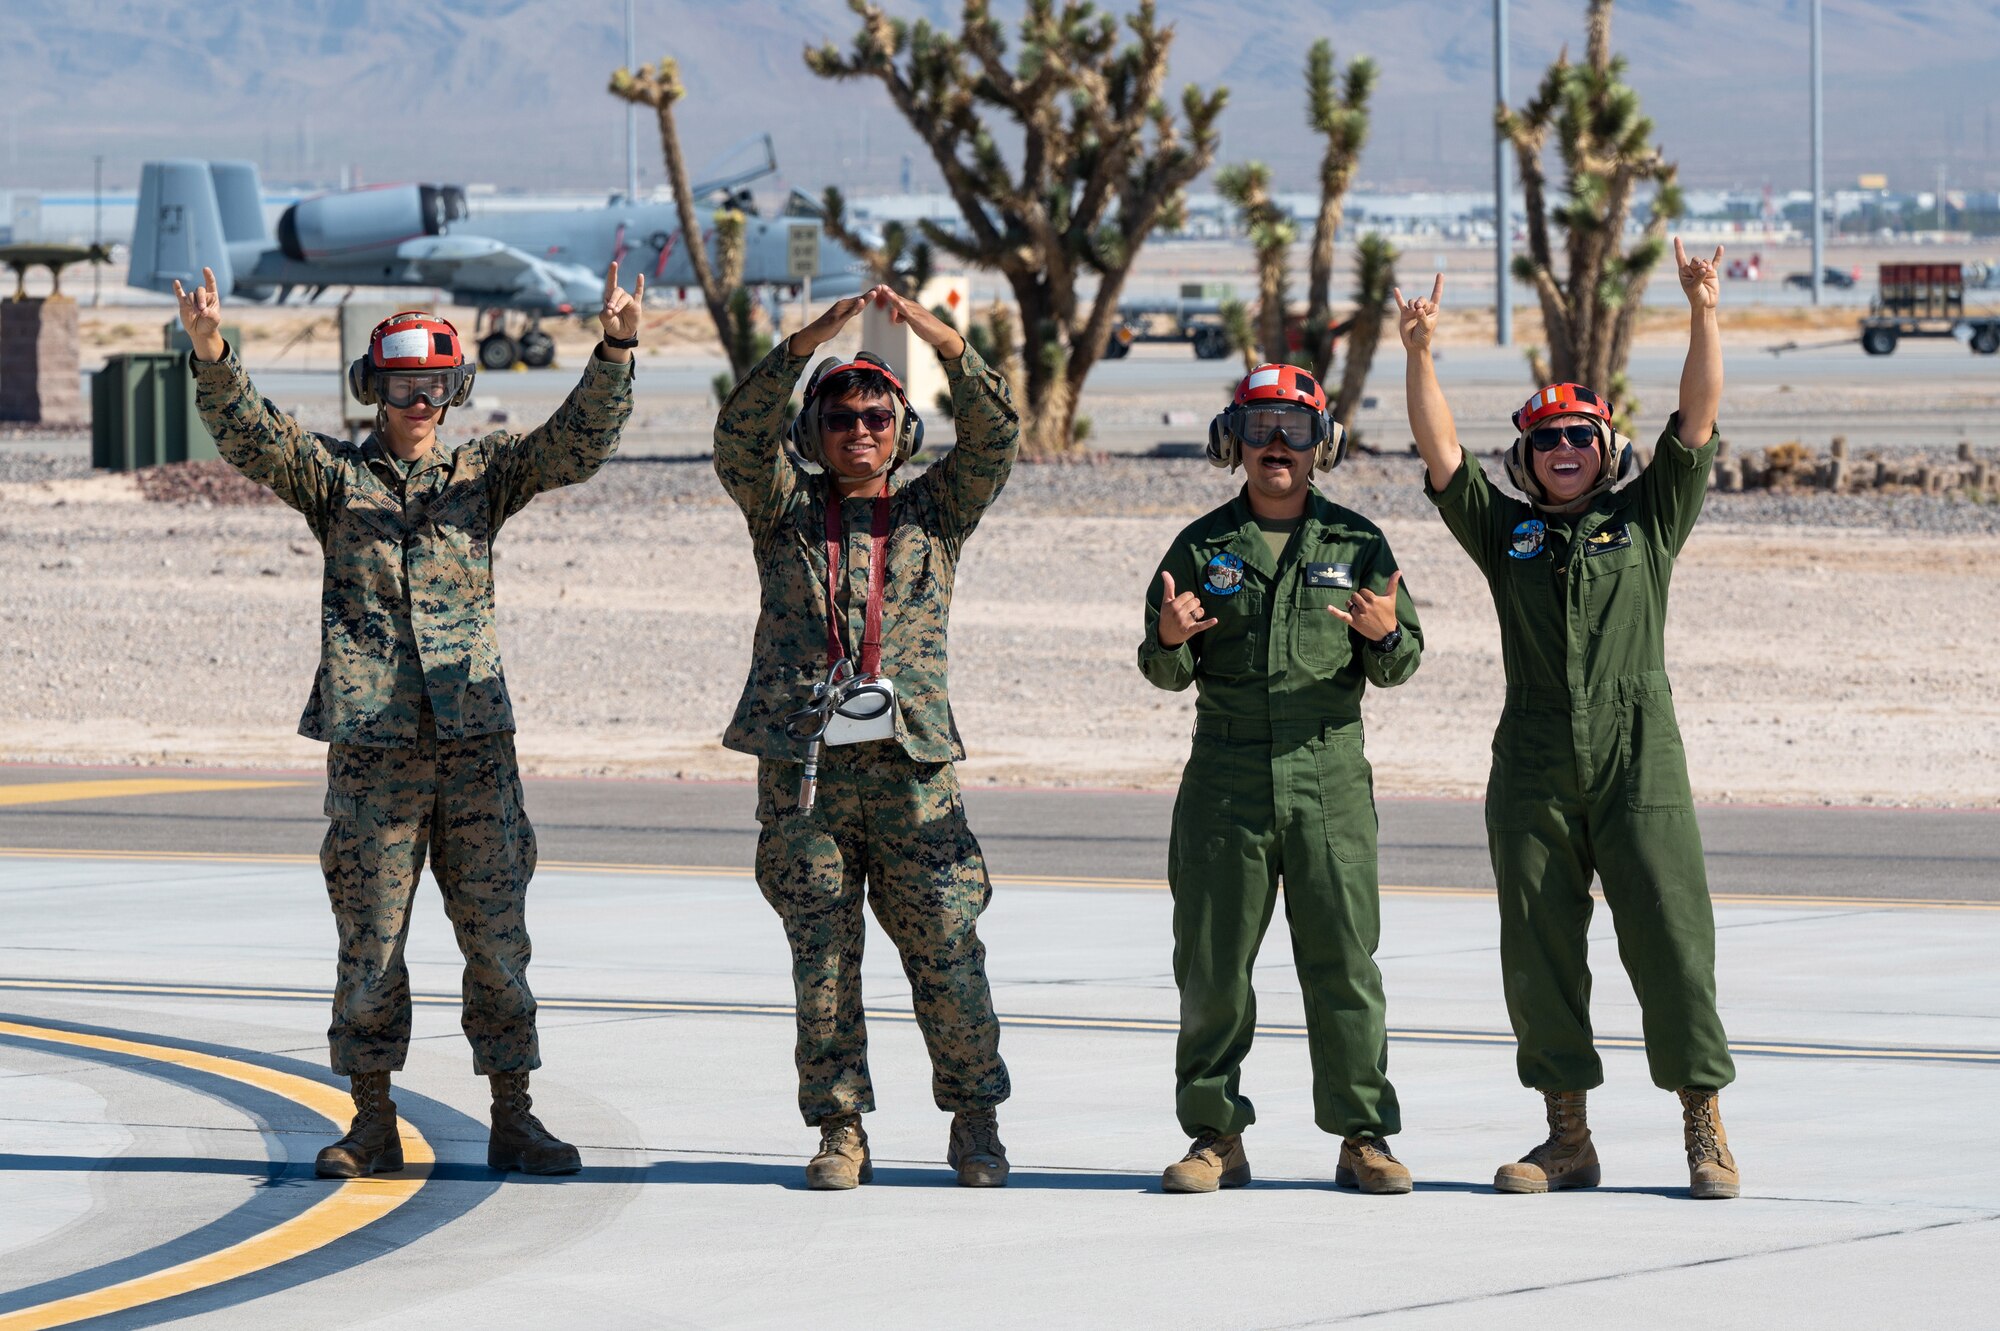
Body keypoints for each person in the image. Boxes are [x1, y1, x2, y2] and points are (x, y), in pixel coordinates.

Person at [176, 263, 642, 1178]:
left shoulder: (487, 473)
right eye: (400, 385)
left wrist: (617, 348)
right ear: (374, 390)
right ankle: (372, 1121)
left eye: (432, 385)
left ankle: (515, 1114)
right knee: (370, 942)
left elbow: (577, 446)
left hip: (473, 749)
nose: (417, 401)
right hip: (373, 752)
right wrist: (212, 353)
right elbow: (253, 437)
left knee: (498, 941)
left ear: (454, 389)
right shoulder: (335, 478)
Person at [1397, 239, 1740, 1199]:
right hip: (1536, 754)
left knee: (1672, 936)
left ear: (1607, 446)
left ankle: (1703, 1126)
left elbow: (1699, 418)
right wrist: (1420, 354)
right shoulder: (1503, 531)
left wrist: (1703, 308)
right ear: (1527, 455)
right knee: (1538, 943)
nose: (1563, 451)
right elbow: (1440, 454)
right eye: (1547, 441)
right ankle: (1567, 1137)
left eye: (1580, 437)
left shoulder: (1650, 514)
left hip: (1641, 753)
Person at [713, 285, 1020, 1190]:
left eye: (878, 416)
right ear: (815, 433)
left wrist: (942, 342)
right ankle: (840, 1125)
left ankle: (975, 1122)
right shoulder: (782, 511)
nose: (859, 430)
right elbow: (740, 436)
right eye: (840, 416)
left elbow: (997, 436)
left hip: (912, 769)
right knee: (823, 958)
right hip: (808, 772)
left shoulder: (935, 515)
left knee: (948, 947)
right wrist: (809, 341)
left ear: (902, 430)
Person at [1139, 362, 1423, 1195]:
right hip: (1226, 775)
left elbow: (1403, 661)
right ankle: (1214, 1133)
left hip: (1329, 774)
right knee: (1214, 966)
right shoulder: (1200, 546)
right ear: (1234, 439)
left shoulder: (1359, 543)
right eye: (1260, 427)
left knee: (1344, 965)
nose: (1276, 445)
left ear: (1319, 444)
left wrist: (1383, 636)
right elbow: (1164, 673)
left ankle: (1363, 1135)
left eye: (1294, 430)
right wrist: (1167, 637)